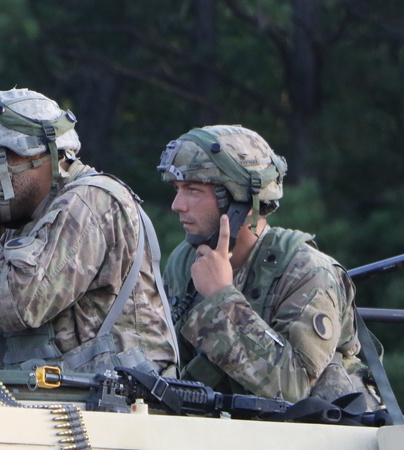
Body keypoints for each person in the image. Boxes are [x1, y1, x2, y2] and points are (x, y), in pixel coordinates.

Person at [0, 88, 177, 375]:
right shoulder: (27, 225)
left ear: (30, 154)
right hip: (63, 406)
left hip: (121, 410)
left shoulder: (90, 201)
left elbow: (18, 305)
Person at [158, 124, 378, 404]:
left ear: (240, 200)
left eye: (193, 190)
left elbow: (294, 387)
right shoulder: (185, 260)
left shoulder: (309, 272)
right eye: (177, 189)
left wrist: (221, 298)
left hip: (314, 438)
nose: (177, 204)